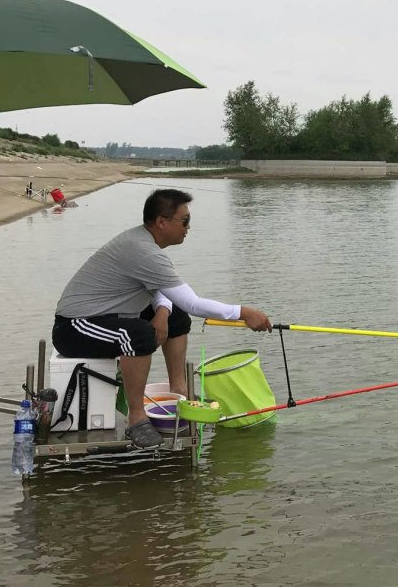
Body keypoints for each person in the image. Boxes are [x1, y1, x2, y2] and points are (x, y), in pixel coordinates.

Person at [52, 188, 272, 448]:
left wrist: (163, 312)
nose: (188, 228)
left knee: (177, 316)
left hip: (107, 315)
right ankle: (136, 417)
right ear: (161, 222)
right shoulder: (142, 250)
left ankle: (178, 390)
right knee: (137, 335)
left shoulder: (144, 244)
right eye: (185, 221)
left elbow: (165, 294)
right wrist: (243, 313)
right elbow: (194, 302)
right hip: (74, 327)